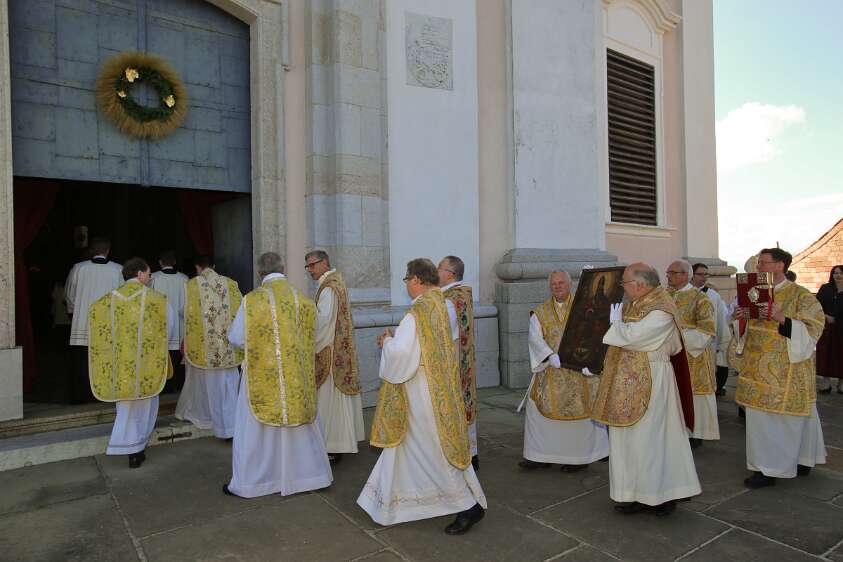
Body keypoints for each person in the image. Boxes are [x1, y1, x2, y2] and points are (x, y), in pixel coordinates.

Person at [358, 258, 487, 534]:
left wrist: (387, 342)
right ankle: (391, 500)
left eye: (406, 280)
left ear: (416, 280)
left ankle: (468, 507)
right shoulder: (441, 305)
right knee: (411, 448)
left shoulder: (415, 314)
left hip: (421, 393)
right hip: (440, 387)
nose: (406, 285)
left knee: (433, 451)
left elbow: (403, 356)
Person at [592, 263, 700, 516]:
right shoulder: (634, 303)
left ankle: (661, 495)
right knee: (627, 439)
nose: (623, 288)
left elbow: (635, 337)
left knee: (652, 438)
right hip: (625, 380)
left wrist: (615, 325)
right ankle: (631, 493)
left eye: (625, 283)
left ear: (640, 284)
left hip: (653, 379)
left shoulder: (661, 308)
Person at [224, 252, 332, 498]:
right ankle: (308, 476)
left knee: (256, 429)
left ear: (260, 272)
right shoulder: (303, 300)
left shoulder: (252, 301)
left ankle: (257, 482)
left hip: (263, 376)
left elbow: (236, 338)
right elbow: (315, 337)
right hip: (297, 378)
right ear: (283, 269)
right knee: (299, 426)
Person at [730, 248, 827, 488]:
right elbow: (741, 329)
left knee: (785, 421)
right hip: (755, 368)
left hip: (786, 370)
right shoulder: (752, 292)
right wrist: (739, 317)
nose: (759, 267)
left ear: (780, 265)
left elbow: (814, 330)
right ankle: (764, 467)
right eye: (758, 263)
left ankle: (789, 462)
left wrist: (783, 319)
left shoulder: (801, 296)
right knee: (760, 422)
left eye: (763, 263)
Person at [87, 257, 175, 468]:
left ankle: (129, 447)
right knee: (146, 403)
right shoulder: (157, 299)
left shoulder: (104, 302)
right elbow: (168, 328)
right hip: (147, 361)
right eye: (148, 273)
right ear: (139, 274)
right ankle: (137, 446)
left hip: (119, 363)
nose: (150, 276)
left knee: (125, 404)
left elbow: (98, 332)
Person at [520, 270, 608, 471]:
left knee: (581, 411)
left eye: (561, 283)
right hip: (551, 369)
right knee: (537, 410)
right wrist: (549, 355)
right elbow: (534, 337)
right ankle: (540, 455)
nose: (557, 286)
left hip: (578, 370)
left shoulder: (584, 309)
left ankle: (578, 458)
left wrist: (588, 358)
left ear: (570, 285)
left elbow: (594, 334)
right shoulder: (540, 312)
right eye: (553, 284)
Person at [305, 250, 365, 463]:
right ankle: (336, 443)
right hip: (338, 348)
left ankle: (332, 445)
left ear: (325, 262)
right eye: (308, 267)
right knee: (333, 401)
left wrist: (304, 321)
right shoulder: (336, 282)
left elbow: (322, 321)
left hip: (329, 351)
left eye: (312, 265)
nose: (310, 270)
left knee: (329, 401)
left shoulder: (329, 287)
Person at [176, 255, 243, 440]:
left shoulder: (190, 285)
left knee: (208, 388)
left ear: (197, 267)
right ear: (213, 266)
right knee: (229, 386)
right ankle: (232, 427)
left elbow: (183, 311)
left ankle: (210, 422)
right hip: (229, 347)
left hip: (204, 347)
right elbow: (241, 311)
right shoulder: (231, 284)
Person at [666, 260, 719, 448]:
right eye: (668, 273)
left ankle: (696, 432)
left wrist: (676, 338)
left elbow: (707, 330)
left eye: (672, 272)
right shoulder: (664, 296)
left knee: (694, 394)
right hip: (668, 356)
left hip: (692, 356)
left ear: (685, 275)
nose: (668, 276)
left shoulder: (700, 299)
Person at [65, 237, 122, 403]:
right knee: (105, 362)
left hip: (82, 324)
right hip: (108, 325)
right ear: (108, 251)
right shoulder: (118, 269)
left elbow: (69, 295)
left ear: (91, 251)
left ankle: (81, 398)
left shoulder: (79, 268)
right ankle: (105, 396)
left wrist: (75, 312)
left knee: (82, 362)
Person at [438, 255, 480, 471]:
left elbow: (442, 333)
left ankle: (462, 453)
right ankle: (472, 452)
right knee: (466, 402)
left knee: (455, 404)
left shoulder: (448, 299)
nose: (436, 272)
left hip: (453, 360)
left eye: (440, 267)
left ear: (450, 274)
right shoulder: (463, 293)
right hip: (466, 358)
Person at [151, 250, 189, 392]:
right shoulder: (184, 279)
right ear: (174, 263)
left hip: (160, 325)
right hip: (180, 325)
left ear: (160, 263)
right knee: (178, 358)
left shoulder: (153, 278)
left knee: (162, 358)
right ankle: (178, 388)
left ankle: (163, 388)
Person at [692, 263, 731, 397]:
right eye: (700, 274)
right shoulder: (682, 294)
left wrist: (722, 343)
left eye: (706, 274)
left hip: (709, 343)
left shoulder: (713, 295)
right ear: (691, 274)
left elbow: (721, 319)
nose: (704, 277)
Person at [816, 265, 843, 394]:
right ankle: (826, 383)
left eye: (841, 273)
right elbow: (816, 305)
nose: (838, 275)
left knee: (841, 355)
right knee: (825, 354)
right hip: (826, 328)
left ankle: (841, 384)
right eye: (835, 273)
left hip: (841, 328)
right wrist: (826, 316)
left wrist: (837, 319)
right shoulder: (825, 288)